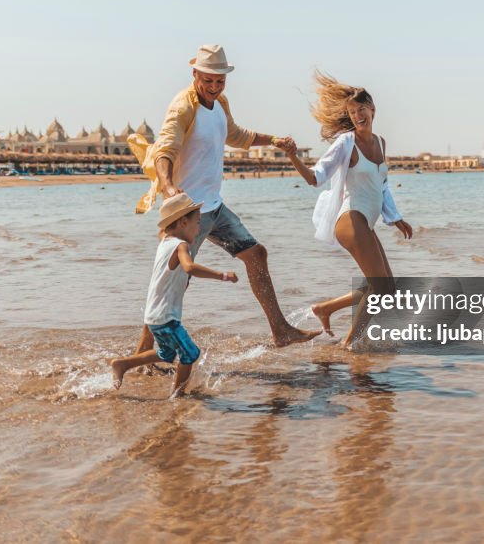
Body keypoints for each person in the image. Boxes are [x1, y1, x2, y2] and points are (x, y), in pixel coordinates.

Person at [128, 44, 320, 348]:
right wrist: (168, 188)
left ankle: (281, 331)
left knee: (256, 255)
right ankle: (143, 352)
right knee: (173, 281)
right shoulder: (183, 107)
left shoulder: (221, 103)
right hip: (188, 213)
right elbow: (165, 150)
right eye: (208, 81)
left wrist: (274, 140)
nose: (214, 87)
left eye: (220, 81)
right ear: (195, 74)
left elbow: (237, 135)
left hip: (215, 208)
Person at [281, 71, 413, 347]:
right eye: (352, 112)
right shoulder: (346, 142)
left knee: (387, 288)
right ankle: (350, 344)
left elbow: (382, 186)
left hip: (366, 221)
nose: (357, 116)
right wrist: (293, 155)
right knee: (381, 288)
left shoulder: (380, 143)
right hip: (350, 220)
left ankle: (325, 309)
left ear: (373, 109)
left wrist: (396, 218)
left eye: (361, 110)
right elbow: (315, 177)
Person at [110, 193, 239, 398]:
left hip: (154, 316)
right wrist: (222, 275)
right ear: (183, 221)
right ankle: (178, 395)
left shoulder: (165, 241)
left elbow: (163, 232)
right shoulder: (181, 245)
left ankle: (123, 364)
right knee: (190, 354)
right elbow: (189, 267)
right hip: (166, 316)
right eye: (197, 223)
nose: (199, 229)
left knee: (166, 354)